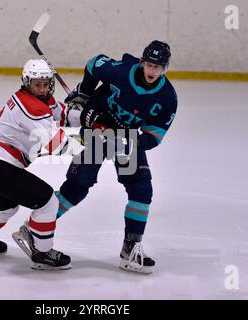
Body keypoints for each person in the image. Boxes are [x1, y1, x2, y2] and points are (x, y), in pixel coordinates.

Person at [55, 40, 178, 274]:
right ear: (142, 63)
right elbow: (94, 64)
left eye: (158, 67)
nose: (152, 70)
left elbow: (155, 134)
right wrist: (84, 93)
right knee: (77, 186)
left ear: (165, 69)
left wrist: (128, 141)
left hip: (127, 138)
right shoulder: (121, 71)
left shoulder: (167, 97)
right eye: (149, 64)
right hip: (95, 127)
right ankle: (35, 228)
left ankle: (130, 249)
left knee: (141, 189)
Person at [0, 59, 83, 270]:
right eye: (37, 84)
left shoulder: (35, 98)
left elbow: (62, 113)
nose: (42, 88)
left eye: (45, 84)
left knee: (5, 205)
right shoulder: (31, 106)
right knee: (47, 201)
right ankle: (42, 251)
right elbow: (56, 143)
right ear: (27, 82)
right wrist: (90, 146)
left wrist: (87, 115)